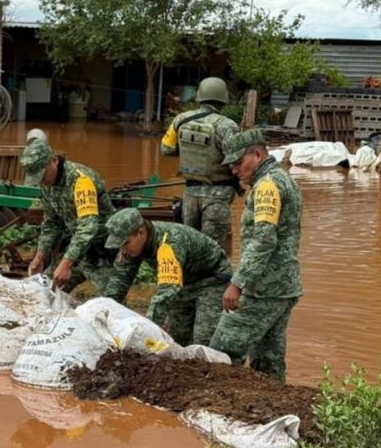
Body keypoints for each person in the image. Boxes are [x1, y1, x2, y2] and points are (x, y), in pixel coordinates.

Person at [209, 128, 303, 382]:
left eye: (239, 162)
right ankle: (273, 411)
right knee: (268, 363)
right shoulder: (284, 179)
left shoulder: (267, 187)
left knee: (221, 353)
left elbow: (263, 239)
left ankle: (214, 410)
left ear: (258, 154)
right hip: (284, 287)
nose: (234, 170)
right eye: (232, 165)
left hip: (262, 289)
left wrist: (237, 284)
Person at [104, 208, 232, 346]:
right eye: (120, 245)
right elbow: (119, 281)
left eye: (125, 243)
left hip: (211, 280)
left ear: (141, 233)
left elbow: (166, 291)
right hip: (184, 282)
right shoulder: (132, 246)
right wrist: (104, 312)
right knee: (178, 339)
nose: (123, 250)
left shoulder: (170, 243)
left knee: (203, 340)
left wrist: (145, 328)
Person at [20, 140, 119, 298]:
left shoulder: (81, 181)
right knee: (43, 293)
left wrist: (66, 263)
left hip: (103, 250)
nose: (41, 181)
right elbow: (52, 223)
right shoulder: (47, 185)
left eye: (43, 174)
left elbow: (88, 228)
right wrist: (40, 256)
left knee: (113, 304)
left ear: (54, 160)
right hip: (78, 250)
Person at [160, 77, 240, 252]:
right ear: (223, 99)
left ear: (199, 96)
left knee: (190, 246)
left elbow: (165, 149)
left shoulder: (180, 120)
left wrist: (187, 151)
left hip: (189, 194)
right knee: (213, 251)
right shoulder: (228, 126)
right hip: (217, 196)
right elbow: (236, 160)